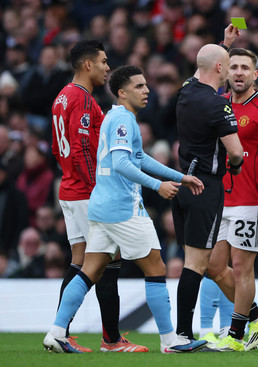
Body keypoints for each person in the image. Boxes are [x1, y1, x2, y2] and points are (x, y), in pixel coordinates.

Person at [43, 65, 206, 354]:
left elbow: (140, 157)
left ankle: (56, 332)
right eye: (139, 86)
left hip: (100, 207)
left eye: (146, 85)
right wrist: (158, 186)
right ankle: (171, 340)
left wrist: (179, 177)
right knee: (156, 267)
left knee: (88, 270)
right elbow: (121, 162)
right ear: (122, 92)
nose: (147, 91)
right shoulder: (123, 120)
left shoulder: (116, 117)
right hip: (122, 209)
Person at [50, 40, 147, 353]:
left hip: (68, 188)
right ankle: (111, 339)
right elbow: (80, 149)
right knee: (108, 261)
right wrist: (97, 189)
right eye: (104, 62)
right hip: (86, 192)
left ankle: (59, 331)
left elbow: (58, 148)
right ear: (88, 64)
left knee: (81, 262)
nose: (108, 68)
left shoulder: (61, 98)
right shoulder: (81, 99)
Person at [207, 47, 258, 352]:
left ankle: (237, 336)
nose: (239, 72)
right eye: (234, 67)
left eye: (245, 68)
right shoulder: (218, 104)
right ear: (225, 71)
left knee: (241, 267)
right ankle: (256, 317)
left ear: (254, 75)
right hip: (221, 199)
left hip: (250, 200)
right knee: (214, 266)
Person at [172, 36, 244, 342]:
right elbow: (237, 152)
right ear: (219, 67)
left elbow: (203, 67)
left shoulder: (185, 92)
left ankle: (185, 333)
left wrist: (223, 45)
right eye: (228, 66)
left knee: (192, 260)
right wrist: (237, 165)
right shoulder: (218, 104)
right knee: (196, 264)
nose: (231, 72)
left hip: (182, 185)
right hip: (206, 188)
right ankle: (184, 335)